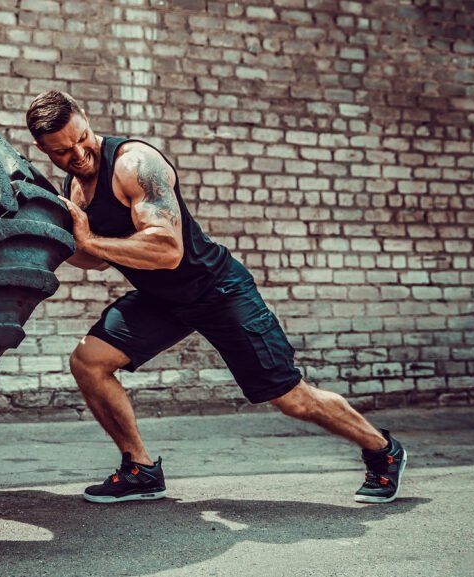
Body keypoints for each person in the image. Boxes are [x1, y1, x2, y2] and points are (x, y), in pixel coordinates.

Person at [25, 90, 407, 505]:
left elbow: (166, 250)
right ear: (43, 149)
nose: (79, 155)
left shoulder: (135, 164)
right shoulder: (77, 189)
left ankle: (382, 450)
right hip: (162, 298)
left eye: (82, 138)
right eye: (63, 152)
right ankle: (140, 469)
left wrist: (89, 240)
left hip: (218, 290)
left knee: (290, 397)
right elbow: (95, 260)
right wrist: (57, 237)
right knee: (89, 361)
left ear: (85, 116)